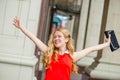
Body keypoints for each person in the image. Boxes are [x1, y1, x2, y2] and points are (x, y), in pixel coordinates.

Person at [13, 16, 111, 80]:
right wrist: (21, 27)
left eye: (59, 36)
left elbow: (91, 49)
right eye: (55, 37)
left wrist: (106, 44)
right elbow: (34, 39)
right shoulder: (49, 52)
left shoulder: (72, 56)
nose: (56, 39)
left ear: (66, 39)